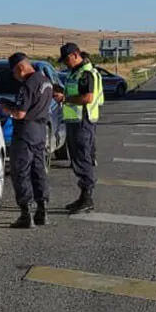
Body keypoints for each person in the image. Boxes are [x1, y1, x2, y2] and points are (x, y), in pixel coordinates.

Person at [0, 52, 52, 228]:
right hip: (40, 131)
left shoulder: (27, 85)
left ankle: (25, 213)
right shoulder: (45, 82)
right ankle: (42, 210)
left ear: (20, 68)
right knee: (38, 170)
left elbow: (21, 113)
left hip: (25, 133)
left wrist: (8, 110)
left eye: (14, 73)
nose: (14, 77)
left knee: (20, 172)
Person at [55, 43, 103, 214]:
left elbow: (87, 98)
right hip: (75, 121)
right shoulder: (75, 72)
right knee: (77, 158)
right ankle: (83, 197)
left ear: (76, 55)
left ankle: (87, 197)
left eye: (67, 59)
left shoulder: (86, 73)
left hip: (83, 121)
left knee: (83, 158)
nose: (65, 64)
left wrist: (65, 98)